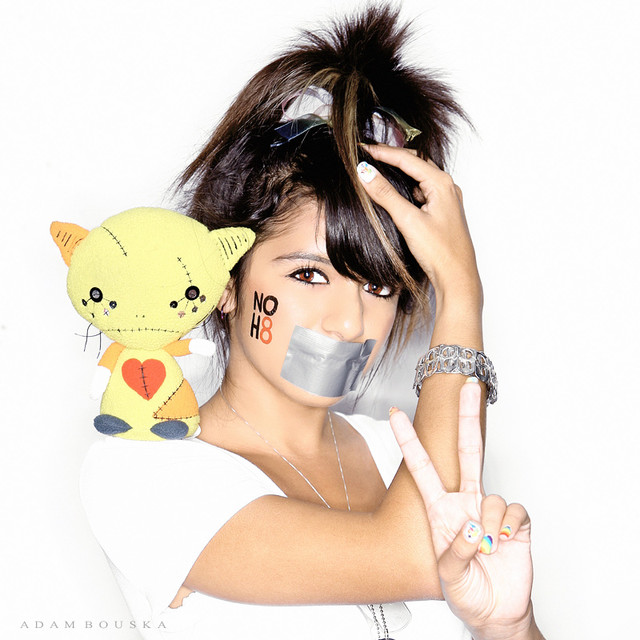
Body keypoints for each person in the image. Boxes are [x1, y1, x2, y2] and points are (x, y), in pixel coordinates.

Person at [80, 5, 544, 639]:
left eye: (378, 286)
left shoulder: (405, 455)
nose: (349, 322)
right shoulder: (143, 474)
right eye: (308, 274)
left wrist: (508, 627)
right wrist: (461, 293)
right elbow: (414, 554)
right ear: (226, 283)